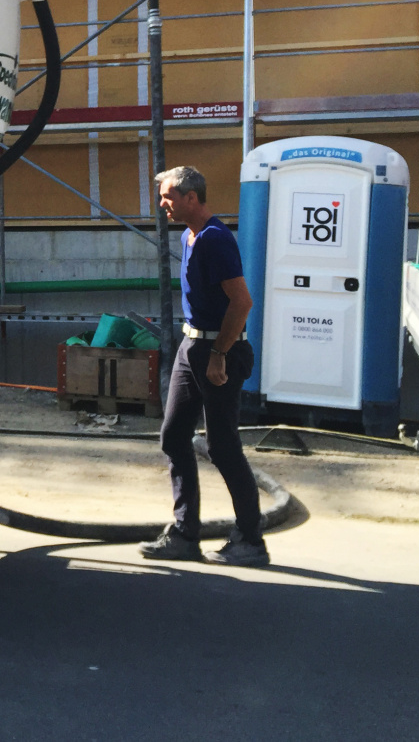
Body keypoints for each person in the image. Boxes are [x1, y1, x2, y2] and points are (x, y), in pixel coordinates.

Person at [139, 165, 270, 567]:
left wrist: (219, 355)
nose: (162, 204)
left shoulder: (215, 238)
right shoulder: (189, 235)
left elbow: (242, 302)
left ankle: (250, 540)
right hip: (192, 346)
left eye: (168, 197)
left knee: (223, 447)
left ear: (191, 197)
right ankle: (184, 535)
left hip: (220, 351)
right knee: (174, 435)